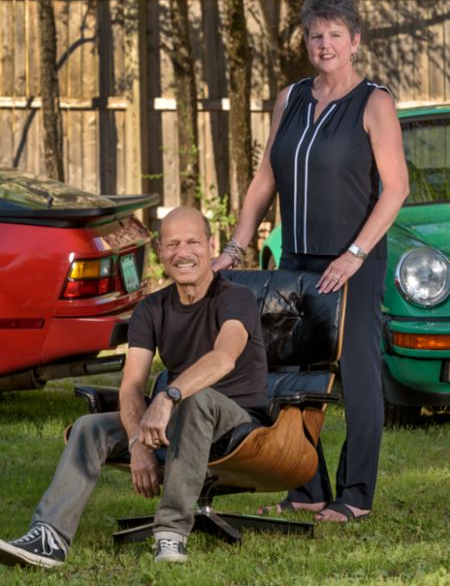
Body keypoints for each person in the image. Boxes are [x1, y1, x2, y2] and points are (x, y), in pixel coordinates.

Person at [213, 0, 409, 522]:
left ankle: (356, 496)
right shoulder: (291, 97)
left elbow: (395, 189)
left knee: (358, 375)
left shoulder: (375, 101)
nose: (324, 45)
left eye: (335, 36)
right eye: (315, 35)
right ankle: (308, 487)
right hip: (294, 259)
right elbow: (264, 180)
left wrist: (354, 254)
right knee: (293, 376)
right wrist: (235, 245)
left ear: (355, 42)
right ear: (306, 41)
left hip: (354, 263)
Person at [0, 207, 269, 567]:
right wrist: (136, 442)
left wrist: (169, 395)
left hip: (238, 419)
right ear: (160, 252)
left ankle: (171, 534)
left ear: (210, 245)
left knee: (196, 400)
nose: (183, 252)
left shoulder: (236, 297)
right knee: (89, 427)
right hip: (179, 416)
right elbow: (131, 385)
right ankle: (49, 537)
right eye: (172, 244)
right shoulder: (151, 308)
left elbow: (224, 357)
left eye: (192, 242)